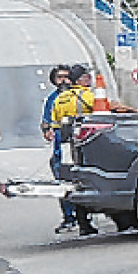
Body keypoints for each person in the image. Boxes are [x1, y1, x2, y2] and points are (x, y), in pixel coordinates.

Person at [49, 64, 100, 235]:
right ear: (80, 79)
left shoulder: (59, 99)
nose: (90, 80)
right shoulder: (88, 96)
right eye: (87, 77)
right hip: (86, 147)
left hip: (65, 150)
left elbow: (54, 124)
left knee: (70, 184)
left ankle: (78, 221)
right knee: (88, 183)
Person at [39, 64, 85, 233]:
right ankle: (69, 218)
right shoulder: (52, 100)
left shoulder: (81, 95)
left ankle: (84, 220)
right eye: (60, 77)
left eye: (67, 76)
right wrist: (47, 131)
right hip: (62, 148)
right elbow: (45, 122)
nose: (64, 80)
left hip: (82, 147)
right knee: (63, 184)